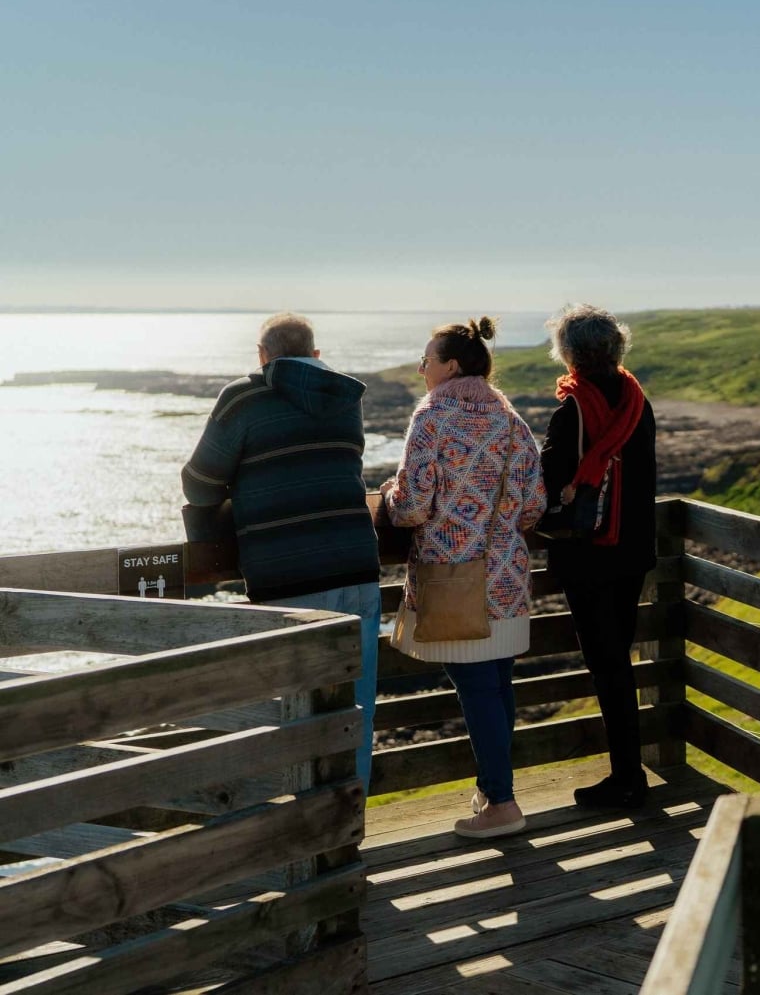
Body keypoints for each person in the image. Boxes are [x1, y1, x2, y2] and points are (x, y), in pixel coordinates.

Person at [183, 312, 382, 789]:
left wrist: (248, 486)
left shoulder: (243, 398)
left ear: (262, 356)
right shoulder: (345, 396)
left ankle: (301, 826)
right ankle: (348, 817)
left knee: (289, 717)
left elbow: (200, 483)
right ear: (315, 354)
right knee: (356, 710)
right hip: (358, 568)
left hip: (288, 577)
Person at [382, 316, 545, 838]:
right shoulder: (510, 419)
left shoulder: (431, 417)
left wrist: (387, 496)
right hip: (507, 575)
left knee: (476, 689)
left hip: (453, 577)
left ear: (450, 366)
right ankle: (492, 791)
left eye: (426, 360)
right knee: (496, 684)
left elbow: (411, 507)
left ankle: (502, 803)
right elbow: (533, 505)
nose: (421, 369)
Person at [540, 304, 657, 809]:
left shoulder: (573, 411)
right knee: (618, 661)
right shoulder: (637, 401)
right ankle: (629, 774)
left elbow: (544, 485)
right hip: (633, 549)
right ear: (616, 348)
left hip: (589, 556)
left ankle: (627, 779)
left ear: (569, 354)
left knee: (606, 665)